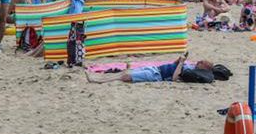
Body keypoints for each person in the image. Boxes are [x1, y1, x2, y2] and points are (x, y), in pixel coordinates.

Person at [85, 53, 214, 83]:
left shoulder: (190, 71)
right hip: (155, 69)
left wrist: (181, 64)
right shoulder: (190, 66)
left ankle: (98, 80)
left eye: (202, 62)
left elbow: (175, 78)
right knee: (126, 72)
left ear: (204, 67)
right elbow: (175, 65)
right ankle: (98, 78)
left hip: (157, 76)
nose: (199, 61)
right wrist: (179, 60)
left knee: (125, 76)